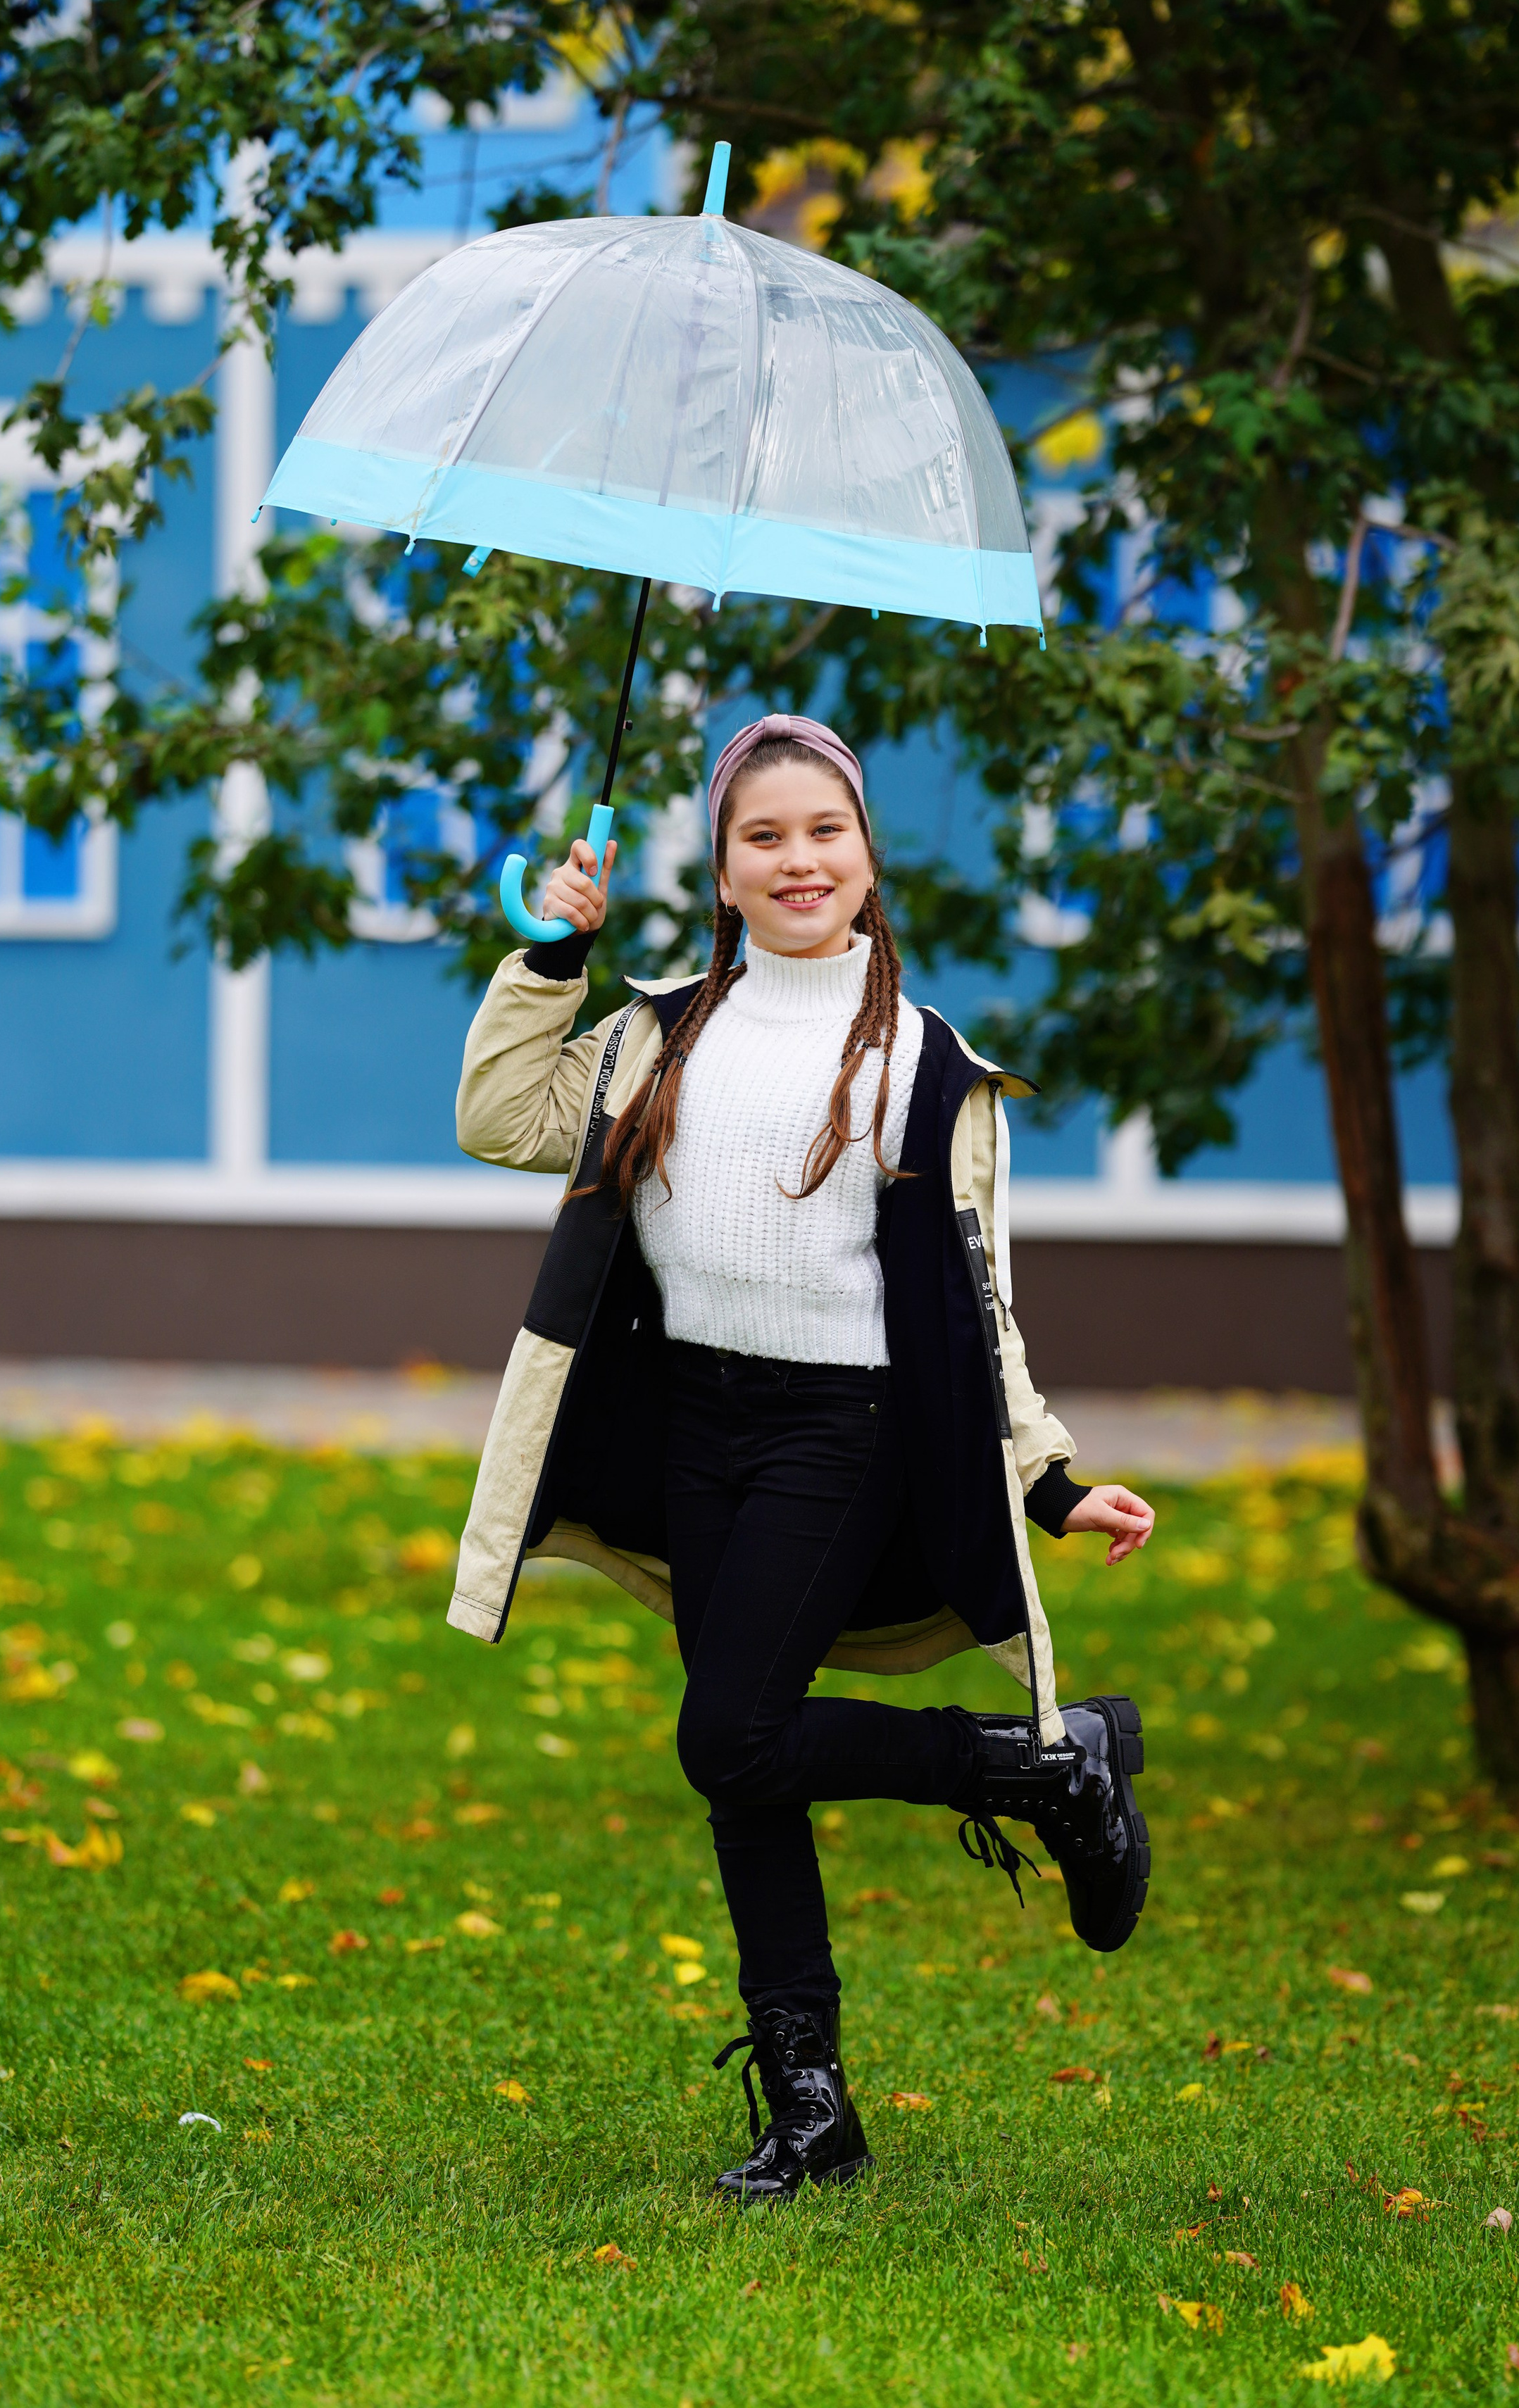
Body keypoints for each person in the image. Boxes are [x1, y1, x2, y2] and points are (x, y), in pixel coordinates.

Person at [448, 712, 1156, 2203]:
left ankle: (1038, 1764)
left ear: (866, 853)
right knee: (743, 1768)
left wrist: (1046, 1471)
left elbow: (981, 1301)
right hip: (693, 1424)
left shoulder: (923, 1064)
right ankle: (811, 2109)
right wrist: (552, 957)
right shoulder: (660, 1029)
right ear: (717, 869)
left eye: (821, 832)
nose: (797, 861)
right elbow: (498, 1116)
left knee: (732, 1735)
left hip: (847, 1435)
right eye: (761, 837)